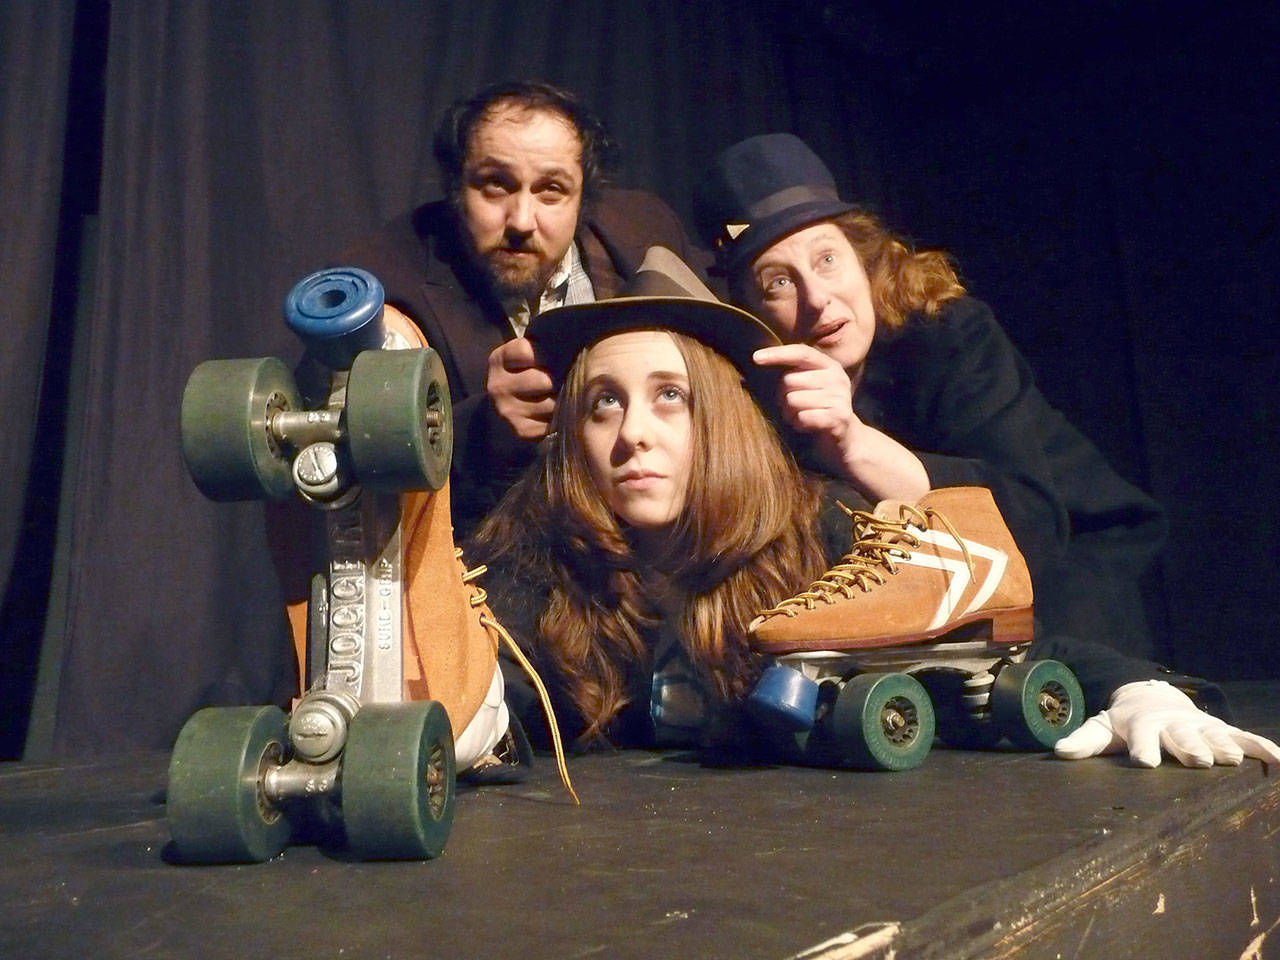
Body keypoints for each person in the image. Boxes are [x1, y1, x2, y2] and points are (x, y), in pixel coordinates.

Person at [469, 246, 1280, 770]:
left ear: (722, 422)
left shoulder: (824, 537)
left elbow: (985, 648)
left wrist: (1143, 690)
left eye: (670, 398)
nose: (633, 435)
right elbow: (482, 689)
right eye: (604, 404)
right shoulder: (540, 566)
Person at [341, 80, 703, 534]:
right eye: (495, 185)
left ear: (585, 199)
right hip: (497, 556)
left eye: (551, 190)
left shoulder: (646, 230)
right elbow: (360, 471)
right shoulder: (384, 285)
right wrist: (485, 432)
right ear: (455, 187)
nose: (521, 222)